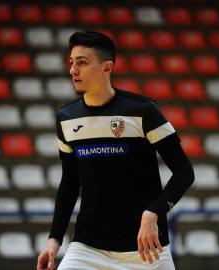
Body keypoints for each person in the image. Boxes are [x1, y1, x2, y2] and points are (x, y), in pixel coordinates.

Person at [37, 31, 195, 270]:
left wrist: (154, 212)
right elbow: (70, 182)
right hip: (88, 248)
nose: (72, 70)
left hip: (147, 251)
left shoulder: (143, 110)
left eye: (82, 62)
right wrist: (54, 239)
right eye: (71, 62)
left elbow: (184, 172)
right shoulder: (66, 118)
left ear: (106, 67)